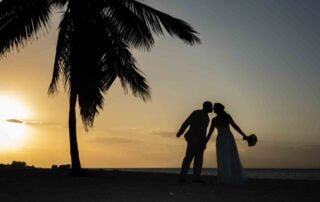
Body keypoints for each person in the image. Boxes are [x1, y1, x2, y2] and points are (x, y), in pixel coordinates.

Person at [206, 103, 248, 184]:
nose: (213, 109)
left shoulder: (215, 120)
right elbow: (235, 127)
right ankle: (229, 177)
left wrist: (205, 142)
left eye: (215, 108)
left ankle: (225, 178)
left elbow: (210, 133)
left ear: (218, 109)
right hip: (228, 137)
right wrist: (244, 135)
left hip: (222, 138)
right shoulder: (225, 117)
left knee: (223, 158)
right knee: (230, 156)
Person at [176, 101, 213, 183]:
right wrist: (180, 132)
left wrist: (204, 142)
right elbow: (187, 122)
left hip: (200, 140)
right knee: (188, 158)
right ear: (206, 106)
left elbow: (204, 131)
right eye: (211, 106)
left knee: (199, 159)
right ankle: (182, 177)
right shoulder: (197, 113)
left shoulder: (207, 117)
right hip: (193, 139)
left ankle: (196, 178)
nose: (212, 108)